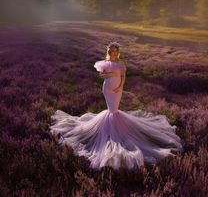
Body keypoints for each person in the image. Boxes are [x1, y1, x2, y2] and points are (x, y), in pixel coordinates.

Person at [49, 41, 184, 170]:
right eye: (111, 51)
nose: (113, 53)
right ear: (109, 52)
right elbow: (101, 76)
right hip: (107, 88)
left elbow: (124, 76)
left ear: (117, 52)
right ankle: (111, 133)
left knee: (115, 111)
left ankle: (116, 130)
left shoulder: (121, 63)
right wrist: (110, 73)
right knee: (112, 111)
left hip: (117, 89)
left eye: (115, 51)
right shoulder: (106, 63)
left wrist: (120, 86)